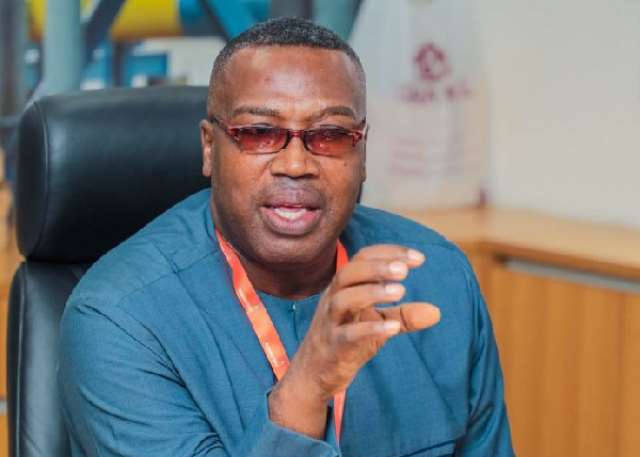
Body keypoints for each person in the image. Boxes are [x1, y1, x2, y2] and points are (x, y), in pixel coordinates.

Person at [58, 17, 513, 457]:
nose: (295, 164)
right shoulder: (119, 318)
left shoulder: (438, 278)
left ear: (362, 151)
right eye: (258, 133)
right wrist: (308, 386)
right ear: (210, 148)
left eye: (331, 134)